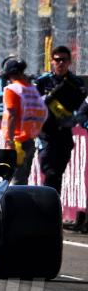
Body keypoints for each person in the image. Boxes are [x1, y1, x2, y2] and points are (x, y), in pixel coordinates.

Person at [34, 45, 86, 193]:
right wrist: (48, 97)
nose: (60, 63)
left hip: (64, 133)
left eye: (64, 60)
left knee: (58, 174)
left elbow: (83, 106)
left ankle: (54, 206)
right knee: (49, 171)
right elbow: (33, 103)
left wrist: (74, 118)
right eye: (57, 60)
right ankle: (47, 207)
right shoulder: (43, 82)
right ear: (52, 61)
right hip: (46, 134)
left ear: (70, 62)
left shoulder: (76, 82)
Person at [0, 57, 48, 185]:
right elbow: (43, 113)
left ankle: (11, 205)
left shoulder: (12, 89)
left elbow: (12, 115)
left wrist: (9, 141)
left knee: (11, 180)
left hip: (16, 141)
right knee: (22, 179)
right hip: (29, 141)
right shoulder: (32, 89)